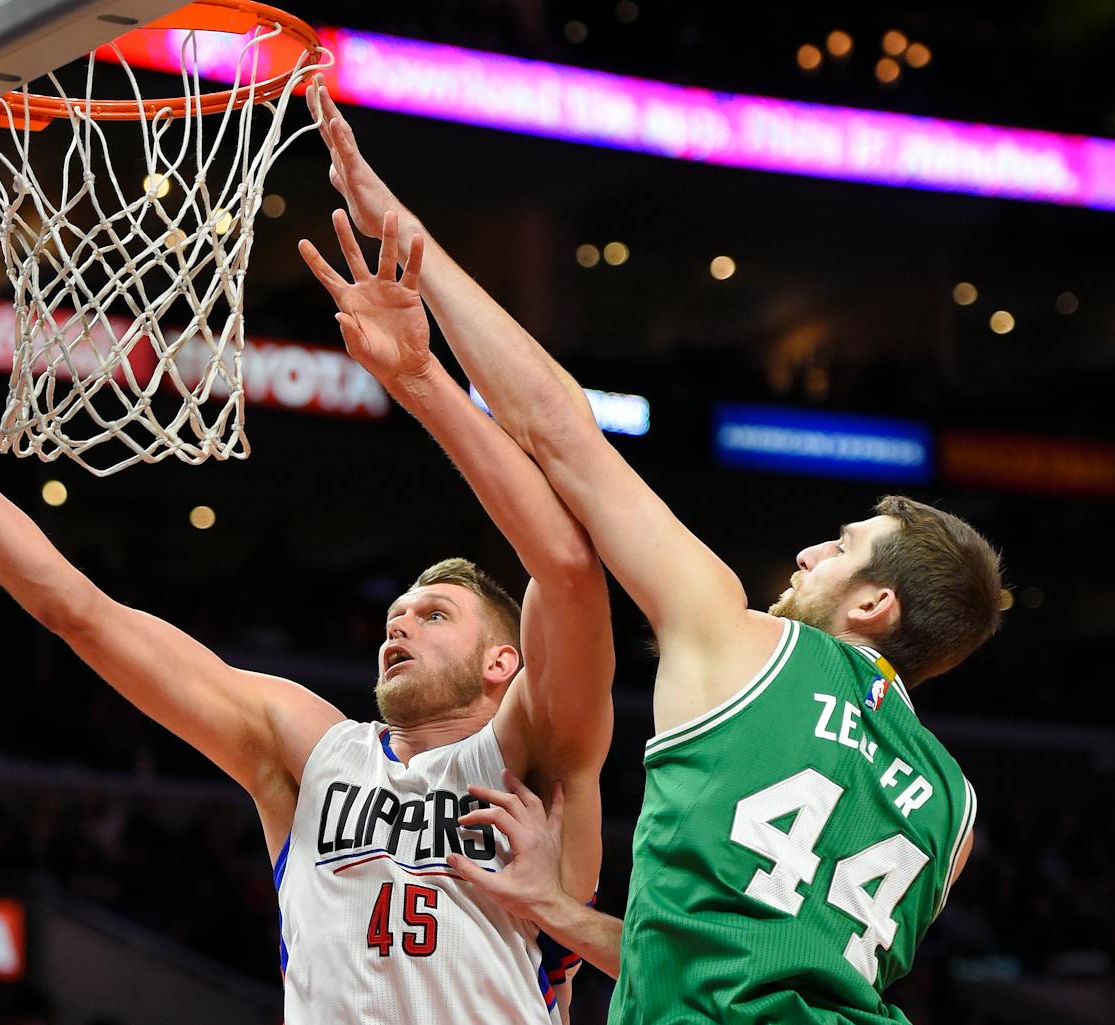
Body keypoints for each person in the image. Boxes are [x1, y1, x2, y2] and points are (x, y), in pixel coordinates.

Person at [308, 81, 1003, 1024]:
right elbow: (753, 957)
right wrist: (557, 910)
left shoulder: (741, 637)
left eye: (841, 547)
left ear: (875, 604)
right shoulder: (954, 808)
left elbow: (559, 428)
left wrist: (403, 233)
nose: (807, 552)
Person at [0, 263, 613, 1023]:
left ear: (503, 662)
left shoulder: (536, 755)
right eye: (397, 612)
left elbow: (569, 568)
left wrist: (426, 381)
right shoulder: (313, 750)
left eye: (434, 614)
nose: (399, 623)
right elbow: (76, 608)